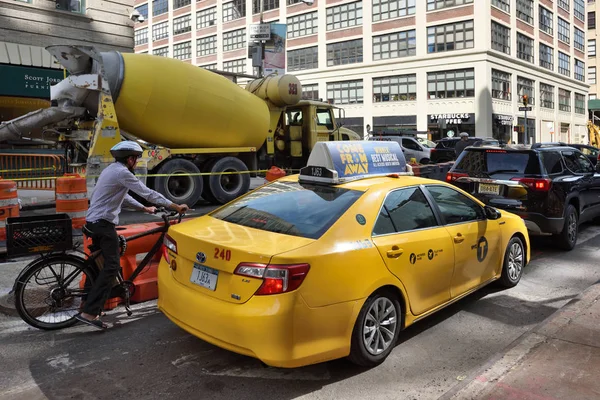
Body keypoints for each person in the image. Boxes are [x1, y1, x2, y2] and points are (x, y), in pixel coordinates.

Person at [76, 141, 189, 330]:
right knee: (111, 267)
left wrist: (143, 208)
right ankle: (90, 312)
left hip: (94, 222)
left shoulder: (111, 170)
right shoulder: (122, 173)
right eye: (136, 159)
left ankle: (85, 305)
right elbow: (147, 192)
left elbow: (123, 196)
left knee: (98, 265)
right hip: (104, 225)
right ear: (129, 159)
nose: (136, 162)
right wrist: (175, 206)